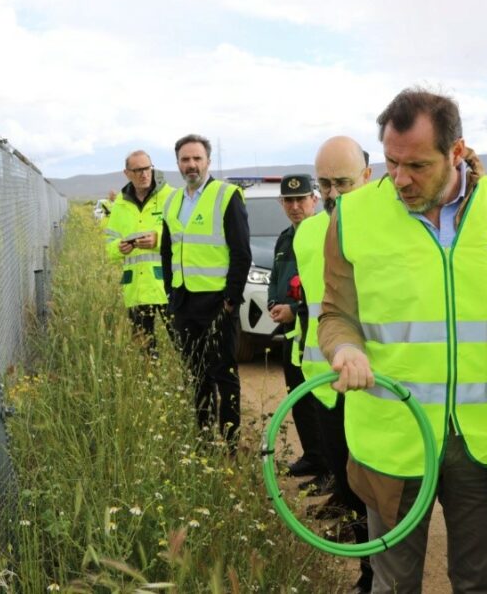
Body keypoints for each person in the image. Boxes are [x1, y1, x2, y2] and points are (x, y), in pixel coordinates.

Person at [318, 88, 487, 594]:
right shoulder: (353, 215)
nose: (400, 178)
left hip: (485, 446)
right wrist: (345, 348)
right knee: (394, 584)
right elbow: (335, 314)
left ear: (457, 151)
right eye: (390, 162)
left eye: (417, 165)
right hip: (393, 444)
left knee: (478, 584)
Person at [293, 137, 374, 593]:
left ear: (367, 175)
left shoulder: (385, 227)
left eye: (342, 182)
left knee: (372, 488)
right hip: (320, 378)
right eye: (324, 183)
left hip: (368, 382)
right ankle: (365, 561)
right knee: (344, 477)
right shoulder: (308, 230)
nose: (332, 193)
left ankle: (373, 575)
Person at [160, 134, 252, 447]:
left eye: (197, 158)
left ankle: (230, 443)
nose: (191, 165)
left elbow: (242, 253)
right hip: (184, 303)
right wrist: (170, 294)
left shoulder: (227, 196)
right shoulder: (172, 201)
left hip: (217, 304)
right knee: (197, 375)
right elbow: (167, 251)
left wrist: (230, 301)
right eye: (185, 159)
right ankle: (203, 438)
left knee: (224, 375)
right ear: (178, 164)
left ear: (208, 162)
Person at [267, 173, 327, 482]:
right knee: (299, 398)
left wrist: (295, 310)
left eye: (300, 199)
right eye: (288, 200)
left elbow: (327, 290)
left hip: (316, 333)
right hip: (291, 336)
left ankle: (330, 468)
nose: (294, 206)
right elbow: (276, 278)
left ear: (314, 200)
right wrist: (273, 304)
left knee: (321, 404)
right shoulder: (284, 238)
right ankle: (314, 457)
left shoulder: (324, 234)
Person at [104, 150, 174, 344]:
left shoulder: (172, 197)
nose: (144, 174)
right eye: (138, 170)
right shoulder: (120, 203)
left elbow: (185, 237)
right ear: (127, 173)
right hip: (136, 289)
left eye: (147, 168)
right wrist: (119, 248)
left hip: (168, 286)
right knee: (143, 348)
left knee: (182, 344)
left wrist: (158, 240)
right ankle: (149, 374)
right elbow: (109, 244)